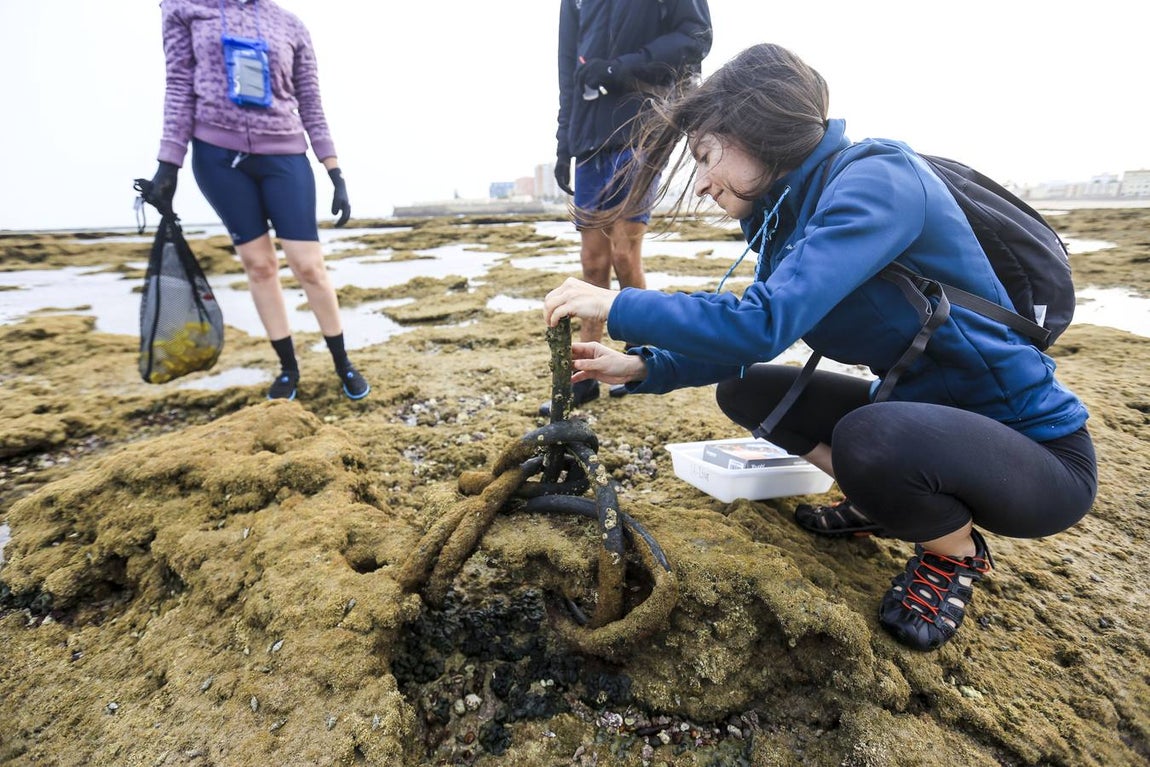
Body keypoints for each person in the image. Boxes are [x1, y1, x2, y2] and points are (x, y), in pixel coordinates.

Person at [542, 43, 1097, 651]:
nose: (700, 183)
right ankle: (885, 500)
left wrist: (615, 304)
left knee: (869, 436)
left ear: (756, 127)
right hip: (925, 423)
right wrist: (643, 365)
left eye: (705, 155)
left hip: (1036, 456)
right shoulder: (789, 217)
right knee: (747, 391)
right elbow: (743, 347)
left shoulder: (878, 178)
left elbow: (764, 322)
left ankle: (952, 552)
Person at [147, 0, 369, 402]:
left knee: (309, 266)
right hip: (217, 154)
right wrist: (169, 164)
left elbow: (311, 102)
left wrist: (333, 169)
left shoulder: (290, 25)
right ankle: (288, 369)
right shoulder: (185, 10)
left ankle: (343, 363)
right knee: (260, 266)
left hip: (285, 154)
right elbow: (178, 85)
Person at [546, 0, 712, 415]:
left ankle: (640, 357)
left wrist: (623, 66)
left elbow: (696, 36)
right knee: (592, 261)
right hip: (587, 139)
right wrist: (564, 145)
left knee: (624, 253)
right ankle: (584, 373)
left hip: (640, 126)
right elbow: (568, 71)